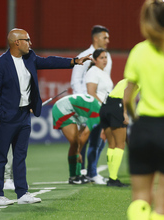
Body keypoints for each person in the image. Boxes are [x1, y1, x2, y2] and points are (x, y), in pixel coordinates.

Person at [0, 28, 91, 206]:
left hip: (24, 116)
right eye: (27, 40)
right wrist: (0, 115)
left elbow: (49, 61)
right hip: (7, 117)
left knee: (20, 156)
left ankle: (22, 193)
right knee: (1, 157)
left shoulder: (30, 57)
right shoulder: (0, 64)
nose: (31, 43)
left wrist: (74, 61)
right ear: (16, 42)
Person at [123, 1, 164, 219]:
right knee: (162, 207)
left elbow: (128, 97)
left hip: (143, 128)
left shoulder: (139, 51)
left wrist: (136, 118)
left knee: (140, 198)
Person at [70, 25, 111, 182]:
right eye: (105, 37)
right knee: (84, 138)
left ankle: (90, 171)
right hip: (86, 104)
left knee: (95, 138)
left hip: (99, 104)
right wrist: (85, 102)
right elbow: (76, 82)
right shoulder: (84, 56)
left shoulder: (106, 56)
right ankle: (79, 171)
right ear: (96, 38)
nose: (108, 40)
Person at [52, 94, 101, 184]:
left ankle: (77, 175)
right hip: (63, 109)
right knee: (75, 144)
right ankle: (74, 177)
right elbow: (86, 133)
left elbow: (83, 128)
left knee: (76, 144)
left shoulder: (98, 107)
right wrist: (78, 151)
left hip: (69, 108)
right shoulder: (98, 115)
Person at [99, 79, 139, 187]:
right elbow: (127, 93)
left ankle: (112, 178)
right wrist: (125, 113)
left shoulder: (125, 79)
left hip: (105, 106)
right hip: (117, 105)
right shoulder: (138, 80)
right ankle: (113, 178)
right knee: (120, 144)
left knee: (111, 145)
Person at [84, 48, 113, 184]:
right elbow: (91, 92)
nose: (104, 60)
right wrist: (104, 107)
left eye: (105, 57)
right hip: (96, 111)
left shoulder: (103, 73)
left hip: (104, 111)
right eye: (101, 57)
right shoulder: (92, 72)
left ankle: (92, 172)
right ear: (95, 60)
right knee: (95, 142)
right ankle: (92, 173)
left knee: (101, 143)